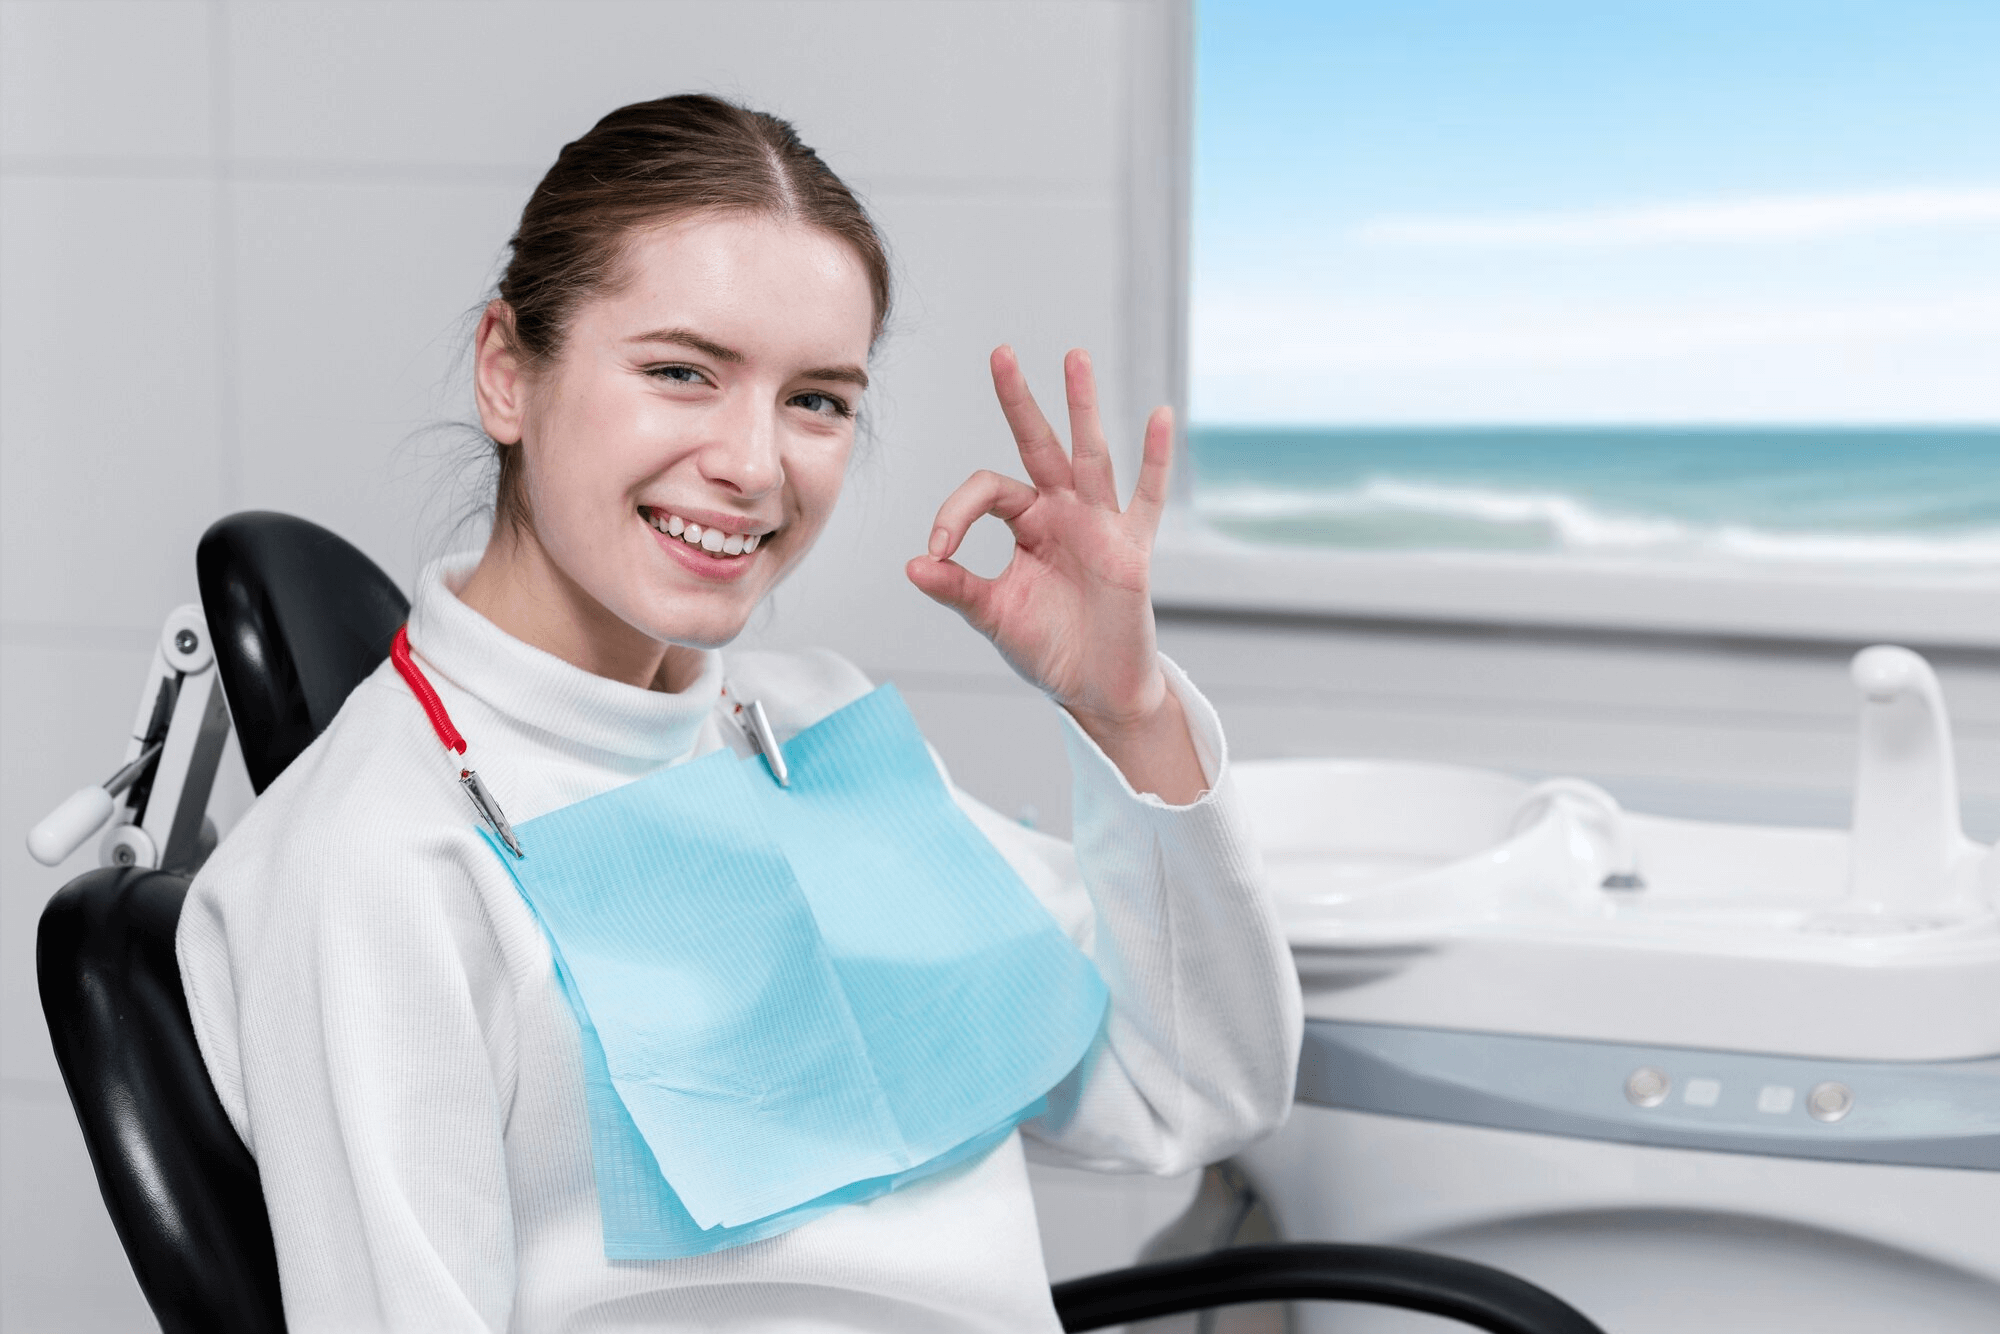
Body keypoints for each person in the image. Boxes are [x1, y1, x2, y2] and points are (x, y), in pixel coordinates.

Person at [178, 93, 1301, 1333]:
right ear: (508, 370)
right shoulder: (377, 861)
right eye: (680, 372)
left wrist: (1122, 704)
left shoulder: (810, 725)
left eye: (816, 399)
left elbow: (1188, 1091)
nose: (755, 464)